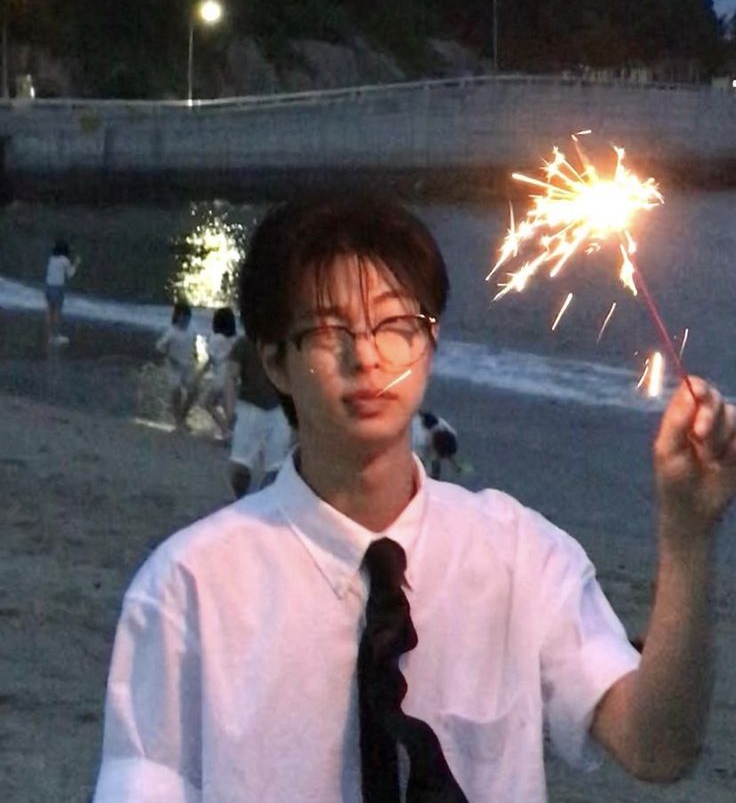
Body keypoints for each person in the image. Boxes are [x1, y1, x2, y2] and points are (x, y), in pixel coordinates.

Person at [93, 194, 736, 803]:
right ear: (276, 362)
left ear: (430, 344)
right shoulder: (188, 588)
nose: (366, 356)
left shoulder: (518, 557)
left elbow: (658, 748)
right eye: (325, 330)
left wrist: (688, 536)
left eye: (396, 324)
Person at [224, 326, 292, 497]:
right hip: (249, 408)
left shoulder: (284, 344)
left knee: (276, 467)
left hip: (279, 409)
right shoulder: (243, 343)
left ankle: (263, 504)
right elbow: (231, 377)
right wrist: (230, 409)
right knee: (240, 467)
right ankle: (241, 500)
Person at [196, 306, 237, 440]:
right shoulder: (234, 339)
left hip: (220, 376)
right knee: (228, 407)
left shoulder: (215, 338)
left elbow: (212, 359)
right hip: (232, 378)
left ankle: (226, 429)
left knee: (207, 402)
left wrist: (200, 374)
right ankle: (232, 431)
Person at [155, 300, 197, 430]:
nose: (185, 320)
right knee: (176, 391)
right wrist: (170, 358)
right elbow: (160, 347)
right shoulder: (171, 332)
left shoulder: (191, 328)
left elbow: (193, 343)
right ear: (177, 317)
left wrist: (195, 354)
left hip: (188, 365)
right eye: (183, 317)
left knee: (193, 392)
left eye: (187, 317)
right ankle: (178, 420)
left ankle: (182, 417)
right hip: (175, 366)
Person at [44, 238, 80, 345]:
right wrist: (76, 263)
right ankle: (56, 336)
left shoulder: (51, 258)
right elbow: (70, 274)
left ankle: (49, 336)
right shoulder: (65, 260)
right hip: (58, 288)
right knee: (57, 312)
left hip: (48, 286)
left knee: (49, 311)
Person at [412, 409, 461, 478]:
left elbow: (447, 450)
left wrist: (455, 464)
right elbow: (418, 460)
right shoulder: (420, 440)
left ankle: (434, 478)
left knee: (434, 464)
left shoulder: (449, 431)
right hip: (411, 433)